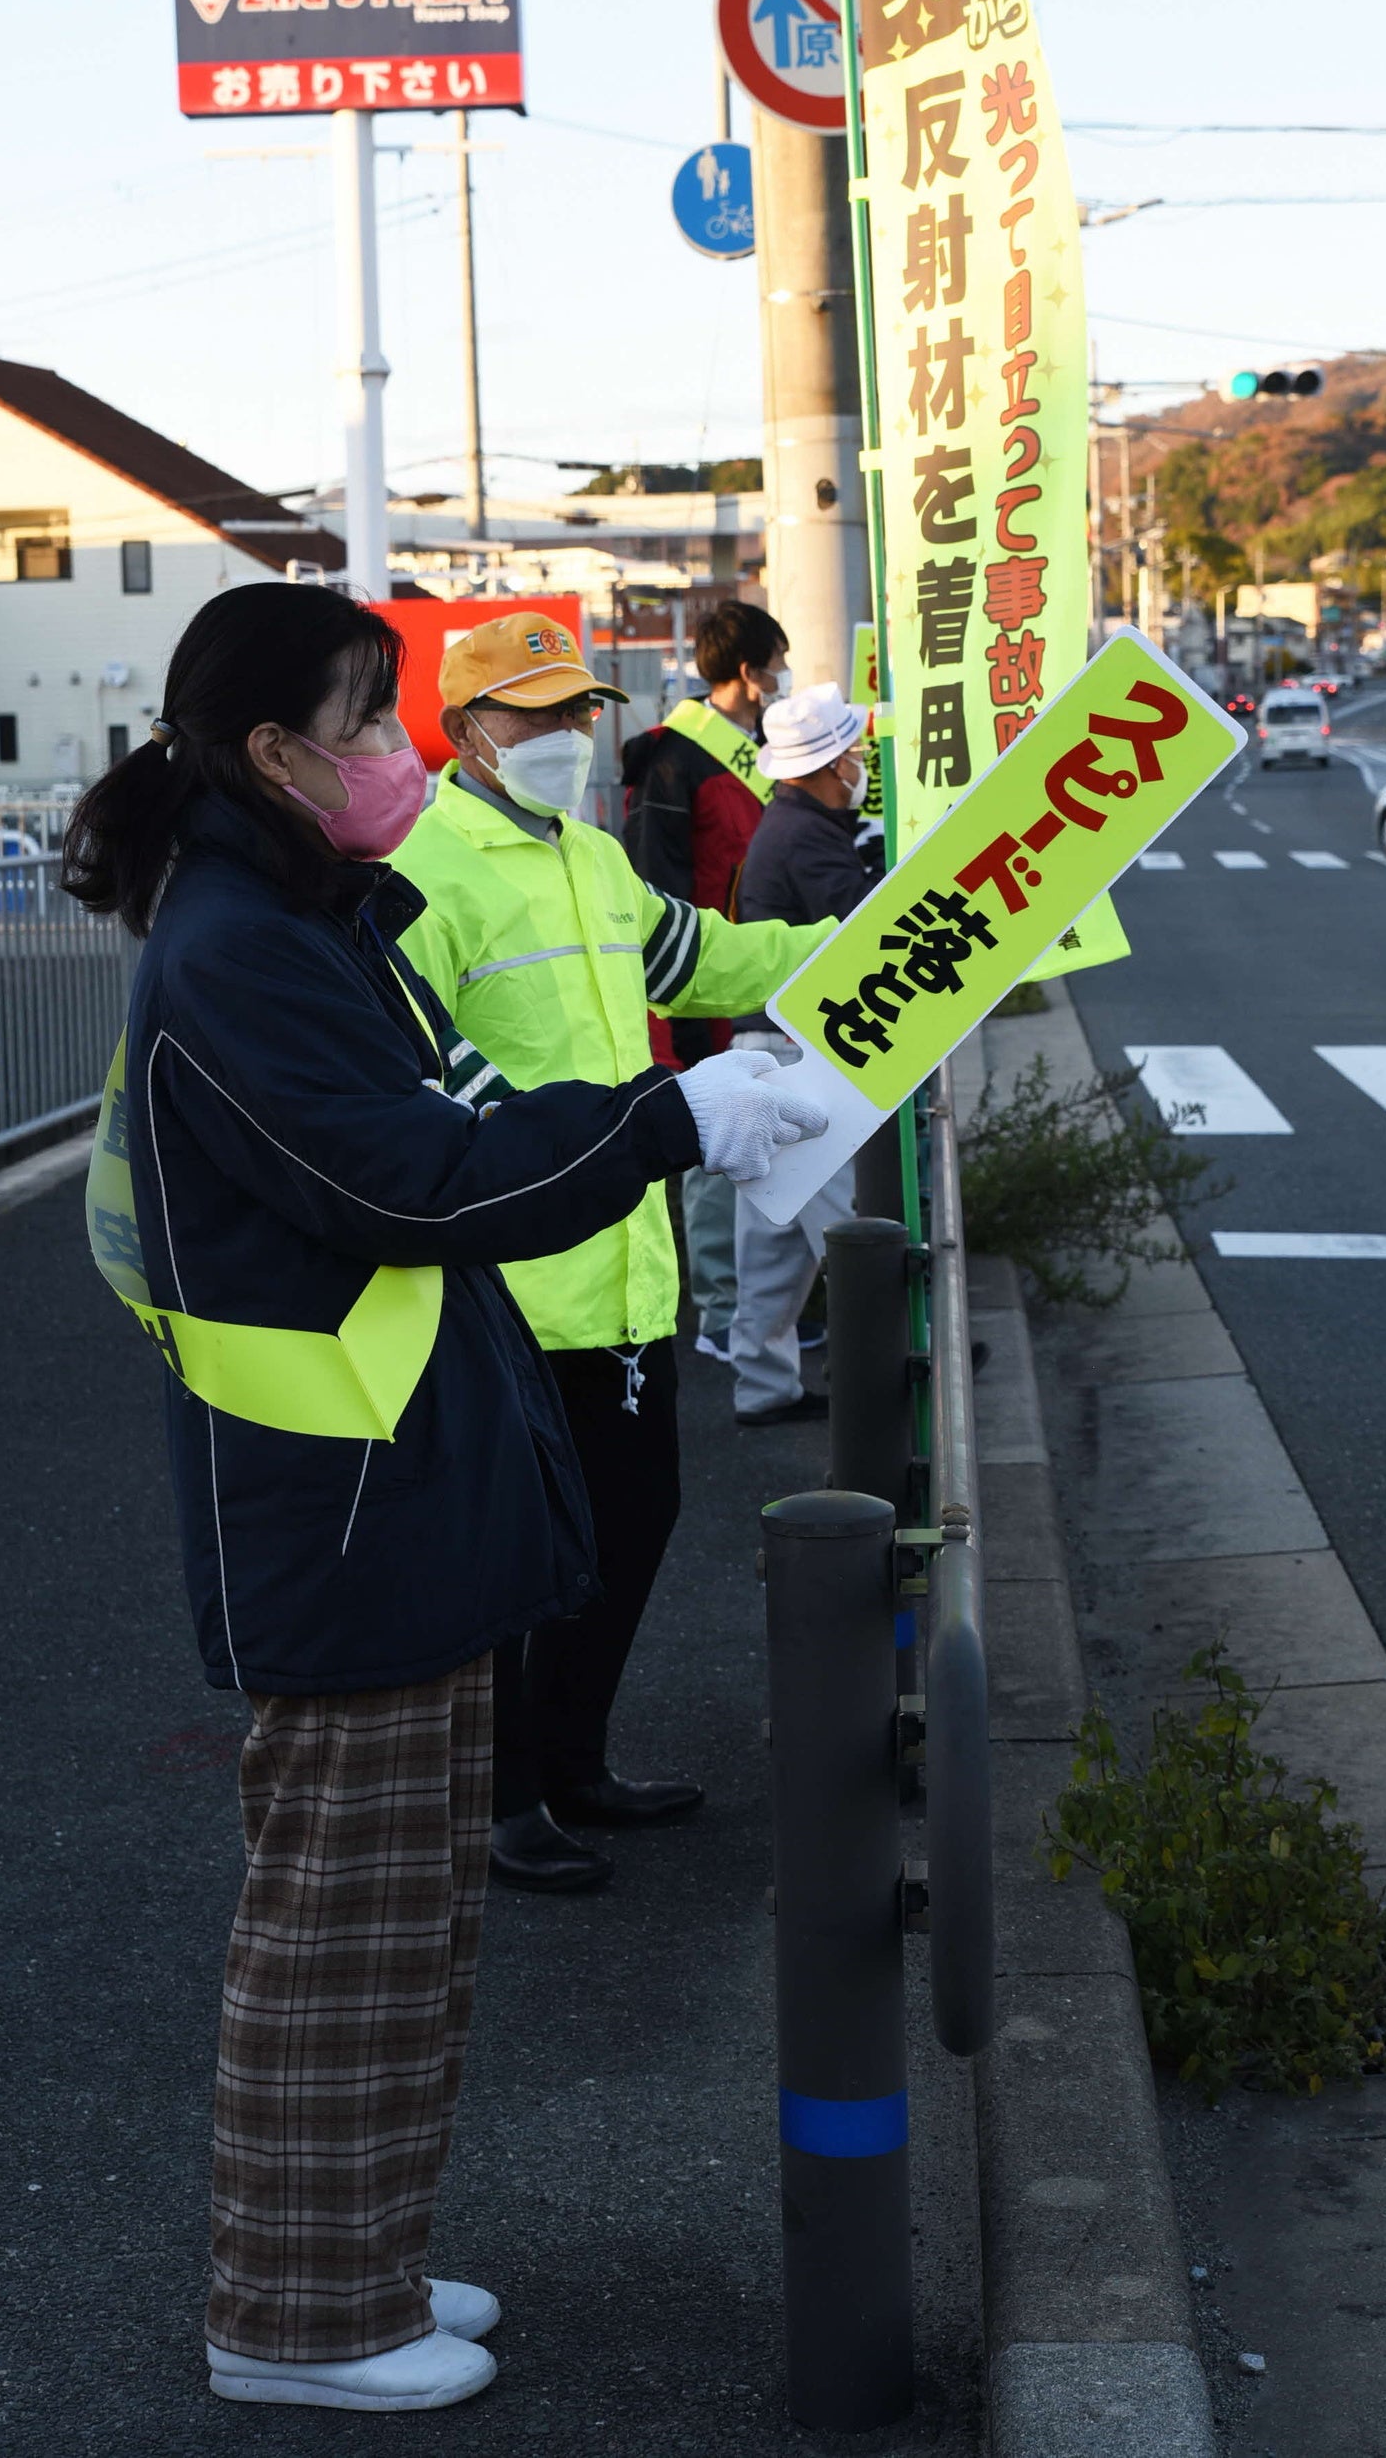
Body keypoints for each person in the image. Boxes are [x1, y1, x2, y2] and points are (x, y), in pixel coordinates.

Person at [63, 583, 823, 2414]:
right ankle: (299, 2321)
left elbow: (468, 1119)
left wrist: (679, 1102)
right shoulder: (240, 946)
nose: (401, 754)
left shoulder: (305, 913)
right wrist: (672, 1125)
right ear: (277, 753)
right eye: (375, 720)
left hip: (389, 1493)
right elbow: (416, 1183)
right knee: (345, 1932)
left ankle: (362, 2266)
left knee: (405, 1929)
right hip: (335, 1514)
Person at [391, 611, 835, 1893]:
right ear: (468, 731)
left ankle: (576, 1761)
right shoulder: (425, 863)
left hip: (630, 1267)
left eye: (577, 710)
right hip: (512, 1285)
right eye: (532, 714)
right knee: (522, 1561)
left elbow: (700, 958)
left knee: (633, 1527)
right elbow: (421, 1067)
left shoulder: (590, 856)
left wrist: (861, 941)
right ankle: (506, 1796)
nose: (565, 735)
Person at [622, 602, 787, 1362]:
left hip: (752, 970)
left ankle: (761, 1306)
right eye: (775, 666)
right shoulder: (671, 757)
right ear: (748, 674)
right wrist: (675, 997)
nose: (780, 680)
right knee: (715, 1146)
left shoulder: (757, 753)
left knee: (766, 1140)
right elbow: (660, 882)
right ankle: (721, 1310)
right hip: (695, 981)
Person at [729, 682, 881, 1427]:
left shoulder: (787, 826)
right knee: (849, 1228)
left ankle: (763, 1388)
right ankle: (890, 1362)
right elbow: (859, 931)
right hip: (800, 1059)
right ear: (826, 765)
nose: (858, 765)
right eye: (851, 753)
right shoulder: (810, 837)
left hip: (763, 1051)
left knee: (771, 1238)